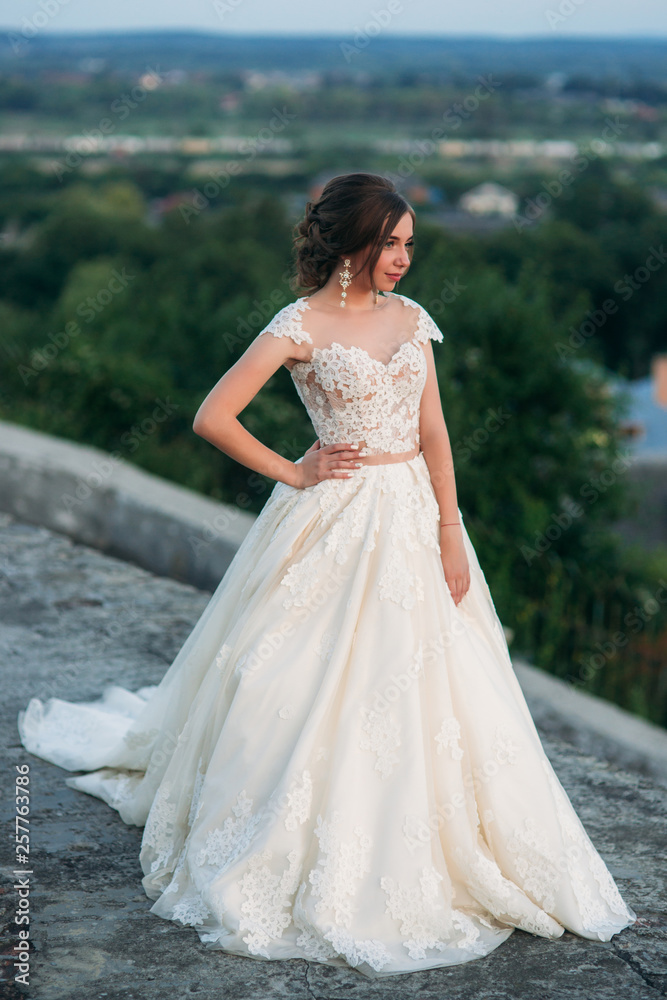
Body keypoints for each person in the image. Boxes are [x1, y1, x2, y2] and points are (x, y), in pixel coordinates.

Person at [18, 172, 636, 979]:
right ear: (350, 244)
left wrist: (452, 529)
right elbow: (213, 415)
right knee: (288, 673)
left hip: (414, 516)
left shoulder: (412, 320)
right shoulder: (298, 324)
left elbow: (436, 431)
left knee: (433, 680)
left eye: (411, 244)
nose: (404, 259)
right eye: (390, 244)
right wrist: (296, 472)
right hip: (333, 519)